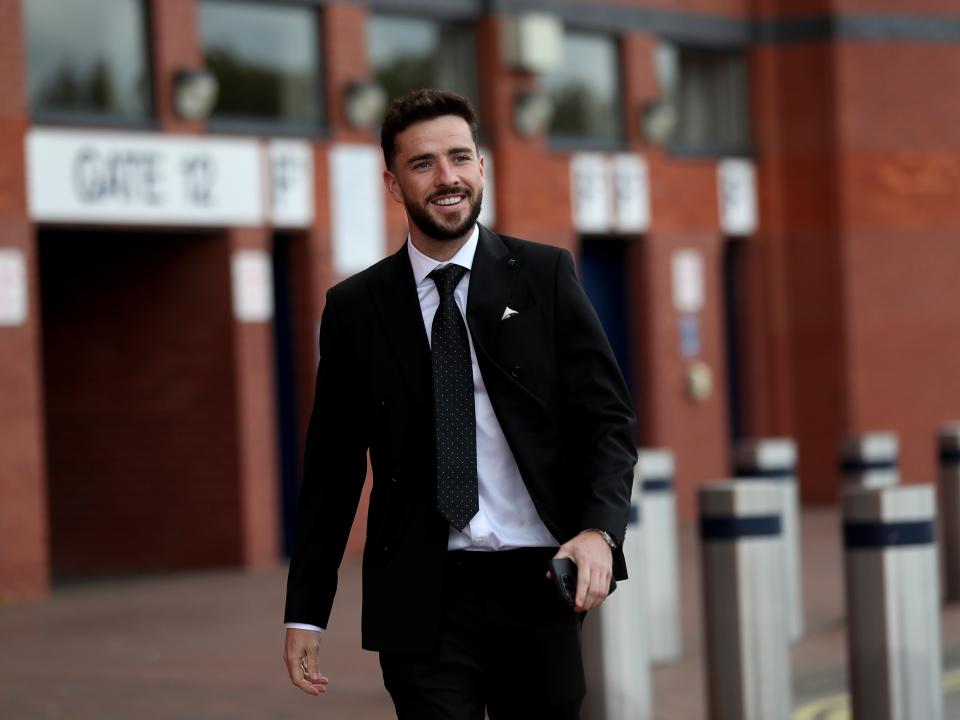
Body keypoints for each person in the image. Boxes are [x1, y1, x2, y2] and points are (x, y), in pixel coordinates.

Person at [282, 88, 637, 719]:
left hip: (539, 582)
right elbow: (332, 469)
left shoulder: (546, 276)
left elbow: (607, 420)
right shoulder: (355, 309)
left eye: (459, 157)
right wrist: (307, 612)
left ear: (482, 167)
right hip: (421, 594)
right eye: (423, 164)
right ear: (393, 185)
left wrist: (599, 532)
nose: (447, 177)